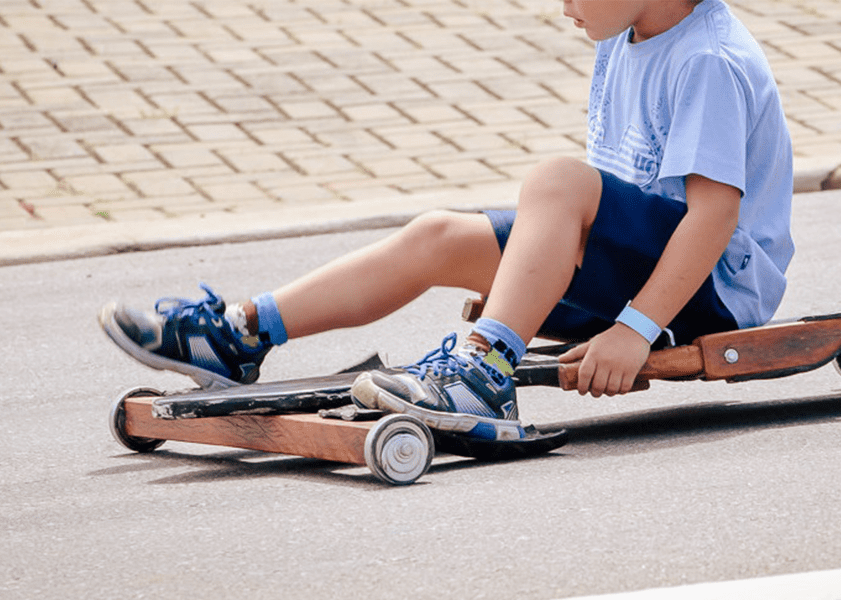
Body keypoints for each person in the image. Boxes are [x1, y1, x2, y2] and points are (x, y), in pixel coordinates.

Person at [100, 0, 794, 442]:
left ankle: (484, 375)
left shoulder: (707, 58)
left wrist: (634, 331)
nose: (563, 7)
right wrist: (536, 281)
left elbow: (711, 216)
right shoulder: (624, 38)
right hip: (649, 270)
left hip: (712, 297)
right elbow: (609, 210)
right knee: (440, 235)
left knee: (555, 181)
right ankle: (243, 334)